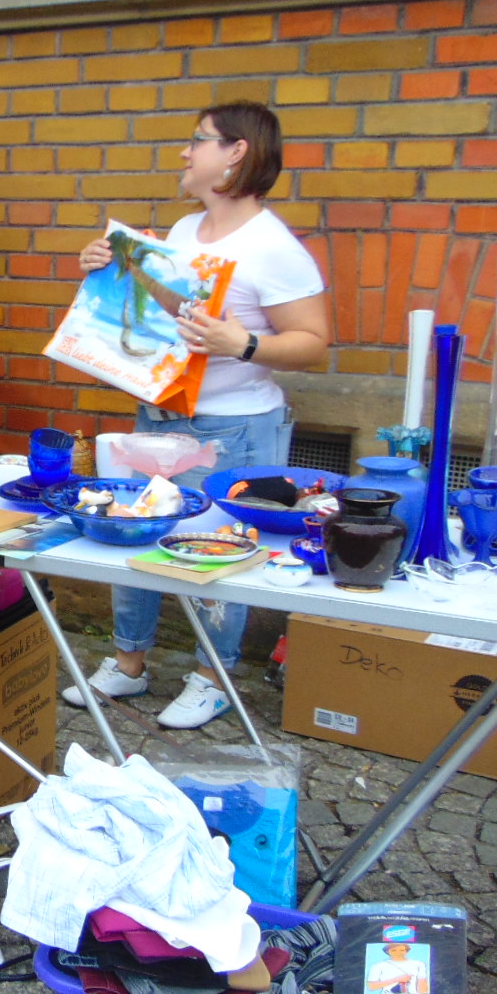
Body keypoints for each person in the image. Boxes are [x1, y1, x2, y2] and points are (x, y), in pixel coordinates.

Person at [66, 101, 331, 729]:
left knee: (218, 550)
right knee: (133, 529)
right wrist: (113, 267)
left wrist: (242, 344)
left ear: (237, 152)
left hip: (234, 425)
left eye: (199, 141)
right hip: (160, 412)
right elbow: (171, 308)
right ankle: (129, 663)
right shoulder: (184, 233)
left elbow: (316, 343)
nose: (186, 153)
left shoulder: (274, 246)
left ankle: (213, 676)